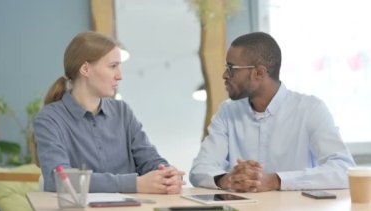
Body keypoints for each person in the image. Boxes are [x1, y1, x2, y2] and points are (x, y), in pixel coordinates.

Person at [189, 32, 355, 192]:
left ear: (259, 73)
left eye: (231, 68)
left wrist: (276, 180)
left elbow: (344, 169)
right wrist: (228, 179)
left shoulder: (310, 110)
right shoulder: (227, 113)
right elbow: (199, 170)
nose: (225, 75)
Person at [34, 31, 185, 194]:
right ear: (85, 69)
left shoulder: (123, 112)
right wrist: (134, 184)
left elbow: (150, 159)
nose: (120, 76)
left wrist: (168, 175)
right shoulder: (49, 119)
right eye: (113, 66)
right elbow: (58, 180)